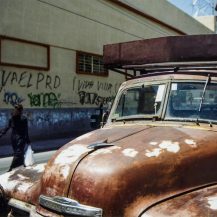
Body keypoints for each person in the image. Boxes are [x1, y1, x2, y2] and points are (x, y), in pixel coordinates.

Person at [0, 104, 30, 171]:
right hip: (14, 139)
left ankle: (11, 168)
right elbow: (7, 127)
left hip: (21, 138)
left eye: (17, 110)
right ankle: (23, 165)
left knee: (18, 153)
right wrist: (1, 134)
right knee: (19, 153)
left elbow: (26, 130)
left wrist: (27, 139)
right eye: (15, 110)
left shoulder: (24, 119)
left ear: (20, 111)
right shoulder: (12, 118)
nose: (15, 111)